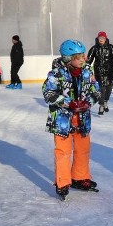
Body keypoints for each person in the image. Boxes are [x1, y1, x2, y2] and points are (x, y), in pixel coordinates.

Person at [42, 39, 101, 199]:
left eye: (83, 56)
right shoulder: (56, 73)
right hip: (62, 120)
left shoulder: (88, 71)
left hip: (82, 119)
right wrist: (69, 103)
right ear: (68, 58)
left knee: (83, 149)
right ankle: (62, 182)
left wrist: (87, 103)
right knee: (63, 151)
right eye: (79, 56)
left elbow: (96, 91)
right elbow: (48, 93)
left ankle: (80, 177)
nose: (83, 59)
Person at [86, 31, 113, 115]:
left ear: (105, 39)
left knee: (109, 89)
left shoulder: (111, 47)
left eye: (103, 38)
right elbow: (89, 60)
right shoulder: (94, 48)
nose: (101, 40)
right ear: (98, 39)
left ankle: (105, 102)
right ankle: (101, 106)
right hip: (99, 73)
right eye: (100, 38)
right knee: (101, 90)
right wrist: (86, 64)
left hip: (110, 73)